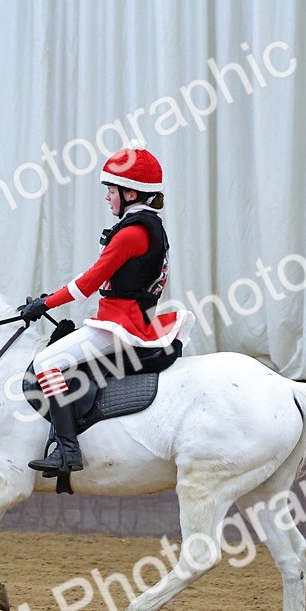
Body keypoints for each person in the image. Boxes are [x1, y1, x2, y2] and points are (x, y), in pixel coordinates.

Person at [18, 143, 193, 475]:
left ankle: (68, 450)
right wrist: (48, 298)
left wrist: (45, 304)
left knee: (45, 363)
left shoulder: (133, 232)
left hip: (121, 325)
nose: (107, 196)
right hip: (130, 319)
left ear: (130, 192)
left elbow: (88, 282)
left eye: (111, 189)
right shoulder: (145, 225)